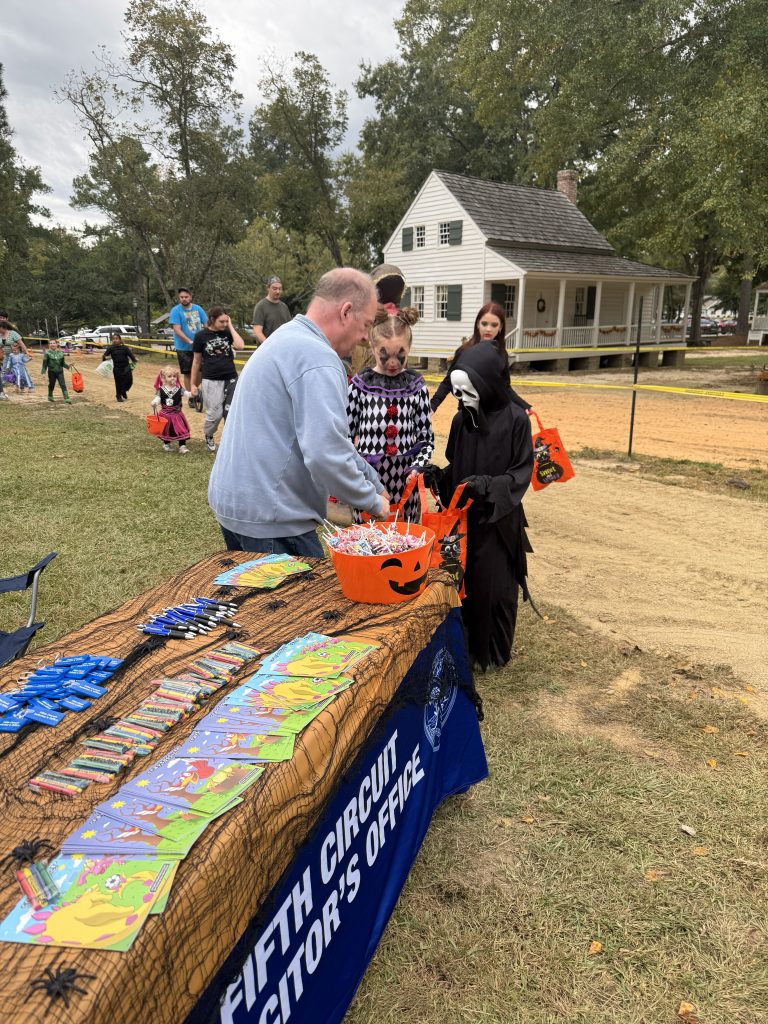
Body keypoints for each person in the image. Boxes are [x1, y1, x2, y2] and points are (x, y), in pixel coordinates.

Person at [209, 268, 390, 556]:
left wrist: (373, 480)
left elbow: (333, 439)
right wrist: (372, 501)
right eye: (365, 324)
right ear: (345, 312)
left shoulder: (288, 337)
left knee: (257, 601)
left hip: (238, 505)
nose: (365, 338)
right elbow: (325, 454)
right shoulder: (318, 358)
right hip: (273, 517)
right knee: (303, 601)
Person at [424, 341, 534, 670]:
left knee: (493, 587)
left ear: (487, 383)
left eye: (468, 389)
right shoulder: (462, 422)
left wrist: (490, 486)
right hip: (464, 523)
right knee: (463, 584)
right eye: (457, 391)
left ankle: (493, 653)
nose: (462, 398)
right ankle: (466, 649)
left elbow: (520, 473)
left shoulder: (516, 421)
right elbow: (457, 469)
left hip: (497, 523)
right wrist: (439, 478)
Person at [347, 306, 434, 522]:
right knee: (369, 543)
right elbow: (344, 438)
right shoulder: (359, 386)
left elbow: (427, 441)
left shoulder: (416, 387)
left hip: (406, 483)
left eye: (400, 355)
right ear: (373, 347)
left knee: (404, 540)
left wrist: (417, 467)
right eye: (384, 355)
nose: (393, 363)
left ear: (410, 348)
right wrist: (358, 473)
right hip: (368, 481)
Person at [430, 301, 530, 414]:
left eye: (494, 325)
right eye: (484, 323)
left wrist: (523, 405)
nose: (488, 329)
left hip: (493, 417)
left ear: (501, 327)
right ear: (478, 324)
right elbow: (448, 382)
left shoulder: (502, 354)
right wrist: (433, 406)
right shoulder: (464, 351)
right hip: (468, 417)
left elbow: (505, 387)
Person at [191, 306, 245, 452]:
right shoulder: (201, 336)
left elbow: (240, 346)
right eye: (222, 321)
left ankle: (230, 442)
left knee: (231, 412)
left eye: (227, 321)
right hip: (211, 379)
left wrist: (231, 326)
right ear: (212, 320)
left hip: (231, 378)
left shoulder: (227, 332)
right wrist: (193, 384)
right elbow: (196, 361)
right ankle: (209, 434)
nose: (225, 324)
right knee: (215, 415)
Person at [168, 287, 206, 396]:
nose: (184, 299)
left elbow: (207, 324)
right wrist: (189, 341)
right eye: (181, 297)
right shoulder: (176, 310)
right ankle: (191, 396)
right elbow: (177, 329)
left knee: (201, 371)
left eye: (186, 297)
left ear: (190, 297)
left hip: (199, 346)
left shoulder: (198, 309)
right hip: (183, 347)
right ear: (179, 298)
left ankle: (193, 389)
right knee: (188, 373)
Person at [151, 365, 192, 454]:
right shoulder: (161, 389)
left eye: (174, 376)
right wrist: (154, 402)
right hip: (165, 414)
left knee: (181, 429)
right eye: (169, 376)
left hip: (177, 414)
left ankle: (182, 446)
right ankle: (166, 444)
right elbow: (158, 399)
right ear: (164, 378)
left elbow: (187, 394)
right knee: (166, 430)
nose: (172, 378)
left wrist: (193, 393)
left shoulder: (179, 388)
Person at [251, 276, 291, 344]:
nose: (278, 291)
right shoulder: (261, 306)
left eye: (280, 289)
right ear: (268, 288)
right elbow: (257, 332)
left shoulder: (284, 307)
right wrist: (270, 346)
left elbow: (289, 329)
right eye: (274, 289)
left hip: (283, 349)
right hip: (266, 351)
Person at [102, 333, 139, 403]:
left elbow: (131, 356)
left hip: (126, 367)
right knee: (118, 382)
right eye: (113, 339)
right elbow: (104, 357)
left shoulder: (125, 348)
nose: (115, 340)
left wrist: (135, 359)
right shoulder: (111, 348)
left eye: (116, 339)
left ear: (120, 340)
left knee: (129, 381)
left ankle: (123, 391)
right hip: (117, 368)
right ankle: (118, 395)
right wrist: (107, 357)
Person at [41, 338, 71, 403]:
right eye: (51, 343)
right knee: (52, 384)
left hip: (60, 372)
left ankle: (67, 398)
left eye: (54, 343)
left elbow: (62, 363)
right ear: (49, 345)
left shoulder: (61, 353)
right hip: (51, 372)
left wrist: (68, 366)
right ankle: (50, 396)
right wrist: (43, 373)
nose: (52, 344)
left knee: (62, 384)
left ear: (57, 344)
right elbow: (44, 364)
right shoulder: (47, 353)